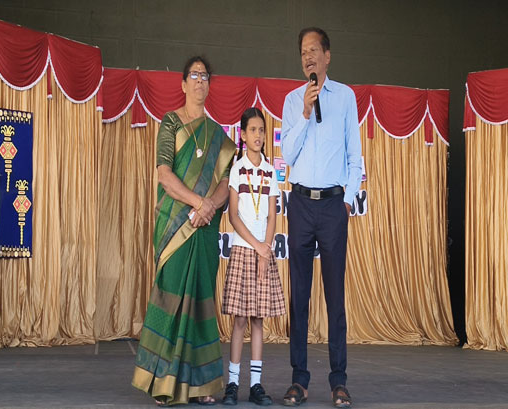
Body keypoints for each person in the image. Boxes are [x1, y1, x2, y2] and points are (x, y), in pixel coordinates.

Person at [132, 56, 237, 406]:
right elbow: (164, 175)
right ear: (183, 83)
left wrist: (208, 207)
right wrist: (198, 203)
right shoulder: (171, 123)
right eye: (194, 75)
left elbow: (225, 183)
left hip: (203, 230)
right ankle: (162, 383)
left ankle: (202, 386)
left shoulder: (219, 136)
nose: (199, 80)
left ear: (210, 84)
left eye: (205, 76)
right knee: (172, 300)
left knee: (201, 305)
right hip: (175, 225)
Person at [280, 27, 362, 408]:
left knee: (334, 298)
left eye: (313, 50)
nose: (308, 56)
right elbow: (287, 154)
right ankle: (299, 380)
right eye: (303, 52)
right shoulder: (292, 100)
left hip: (332, 206)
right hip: (300, 203)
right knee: (299, 296)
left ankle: (338, 381)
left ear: (327, 56)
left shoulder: (345, 97)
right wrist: (304, 112)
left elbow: (354, 156)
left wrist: (347, 201)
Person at [221, 107, 286, 406]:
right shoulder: (237, 169)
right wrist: (256, 246)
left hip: (263, 253)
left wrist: (265, 248)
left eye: (262, 130)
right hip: (243, 250)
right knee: (239, 320)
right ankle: (233, 383)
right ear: (243, 135)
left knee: (258, 320)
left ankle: (256, 385)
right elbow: (233, 216)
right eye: (253, 130)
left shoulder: (271, 172)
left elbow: (272, 216)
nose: (258, 135)